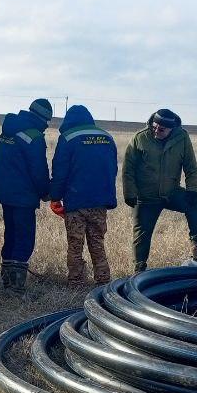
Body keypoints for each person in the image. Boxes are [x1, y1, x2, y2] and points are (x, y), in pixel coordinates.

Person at [122, 108, 197, 271]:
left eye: (161, 130)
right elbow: (128, 169)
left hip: (171, 192)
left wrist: (192, 191)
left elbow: (191, 167)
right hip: (146, 196)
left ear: (171, 129)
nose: (156, 131)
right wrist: (130, 193)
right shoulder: (140, 138)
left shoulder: (182, 138)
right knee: (141, 233)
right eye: (154, 127)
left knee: (195, 204)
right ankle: (139, 268)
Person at [49, 104, 118, 286]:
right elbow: (113, 169)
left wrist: (55, 196)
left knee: (75, 244)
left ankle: (76, 281)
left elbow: (60, 171)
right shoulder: (107, 137)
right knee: (97, 243)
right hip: (100, 201)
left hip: (76, 202)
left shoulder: (68, 138)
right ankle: (103, 282)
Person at [0, 98, 53, 293]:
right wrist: (45, 192)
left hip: (5, 194)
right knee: (24, 238)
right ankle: (16, 288)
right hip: (23, 197)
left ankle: (7, 281)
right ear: (43, 119)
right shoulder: (33, 136)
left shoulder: (8, 130)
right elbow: (38, 170)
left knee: (10, 236)